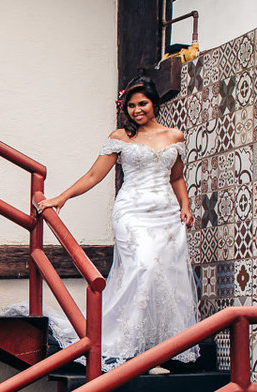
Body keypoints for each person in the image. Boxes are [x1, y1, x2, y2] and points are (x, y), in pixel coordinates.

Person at [36, 76, 199, 373]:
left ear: (154, 104)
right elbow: (93, 175)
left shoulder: (174, 136)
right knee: (144, 266)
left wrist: (185, 207)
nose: (136, 110)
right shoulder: (120, 137)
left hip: (166, 213)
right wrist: (62, 197)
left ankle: (154, 350)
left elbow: (176, 177)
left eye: (142, 104)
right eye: (131, 105)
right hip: (132, 212)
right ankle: (123, 346)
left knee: (163, 276)